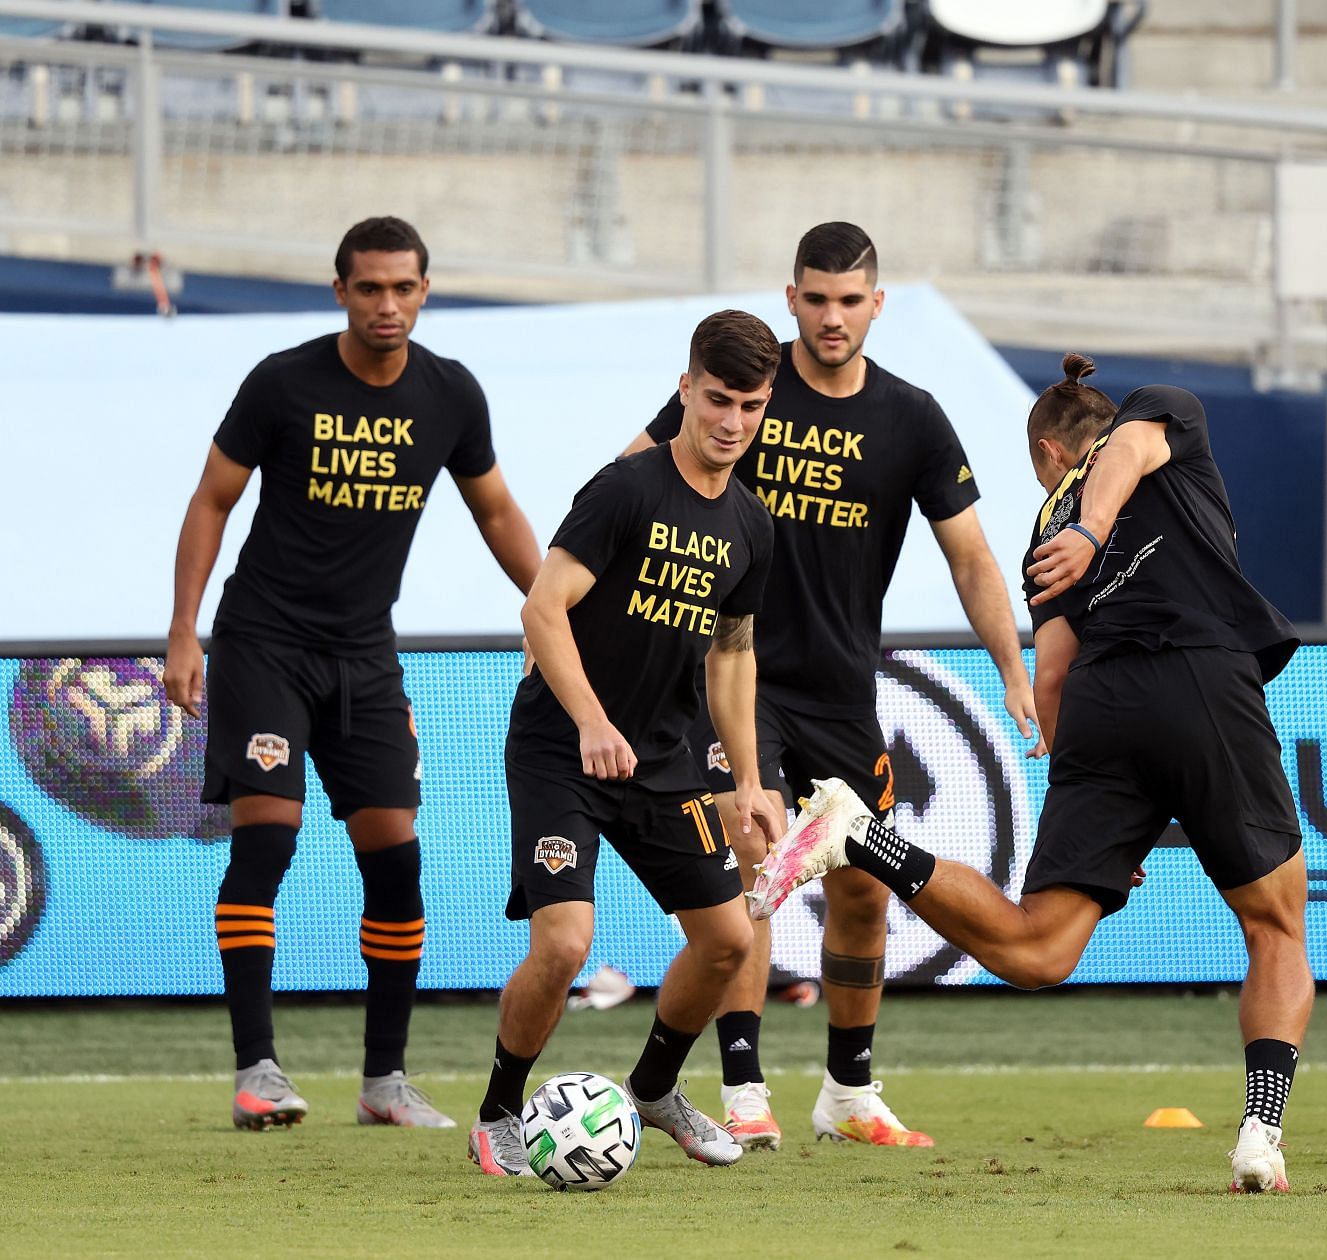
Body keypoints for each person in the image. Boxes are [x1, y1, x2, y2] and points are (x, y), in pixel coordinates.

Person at [748, 357, 1314, 1195]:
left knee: (1037, 950)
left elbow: (1052, 679)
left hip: (1098, 712)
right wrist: (1092, 533)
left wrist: (1097, 818)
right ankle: (1261, 1133)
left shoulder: (1049, 529)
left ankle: (861, 836)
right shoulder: (1163, 412)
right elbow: (1123, 454)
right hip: (1199, 677)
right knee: (1275, 925)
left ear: (1048, 451)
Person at [623, 222, 1035, 1150]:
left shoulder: (913, 418)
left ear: (877, 304)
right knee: (754, 851)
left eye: (850, 300)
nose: (832, 317)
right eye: (815, 298)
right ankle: (741, 1086)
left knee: (862, 887)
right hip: (737, 673)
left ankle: (849, 1092)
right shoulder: (751, 395)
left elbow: (969, 555)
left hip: (847, 689)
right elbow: (636, 473)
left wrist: (1016, 667)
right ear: (791, 298)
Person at [161, 216, 542, 1131]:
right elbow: (213, 499)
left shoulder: (451, 394)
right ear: (340, 291)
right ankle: (258, 1069)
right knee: (269, 839)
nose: (386, 304)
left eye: (402, 287)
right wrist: (182, 630)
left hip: (367, 655)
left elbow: (496, 512)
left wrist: (550, 612)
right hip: (263, 644)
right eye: (368, 287)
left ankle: (385, 1084)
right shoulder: (284, 382)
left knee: (397, 859)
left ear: (424, 290)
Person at [467, 310, 783, 1178]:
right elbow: (542, 606)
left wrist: (749, 779)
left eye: (751, 406)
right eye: (718, 399)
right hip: (560, 748)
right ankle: (498, 1115)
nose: (732, 422)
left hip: (664, 758)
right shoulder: (625, 489)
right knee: (565, 944)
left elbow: (731, 654)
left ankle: (652, 1088)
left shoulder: (753, 527)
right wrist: (590, 721)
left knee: (729, 938)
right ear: (685, 390)